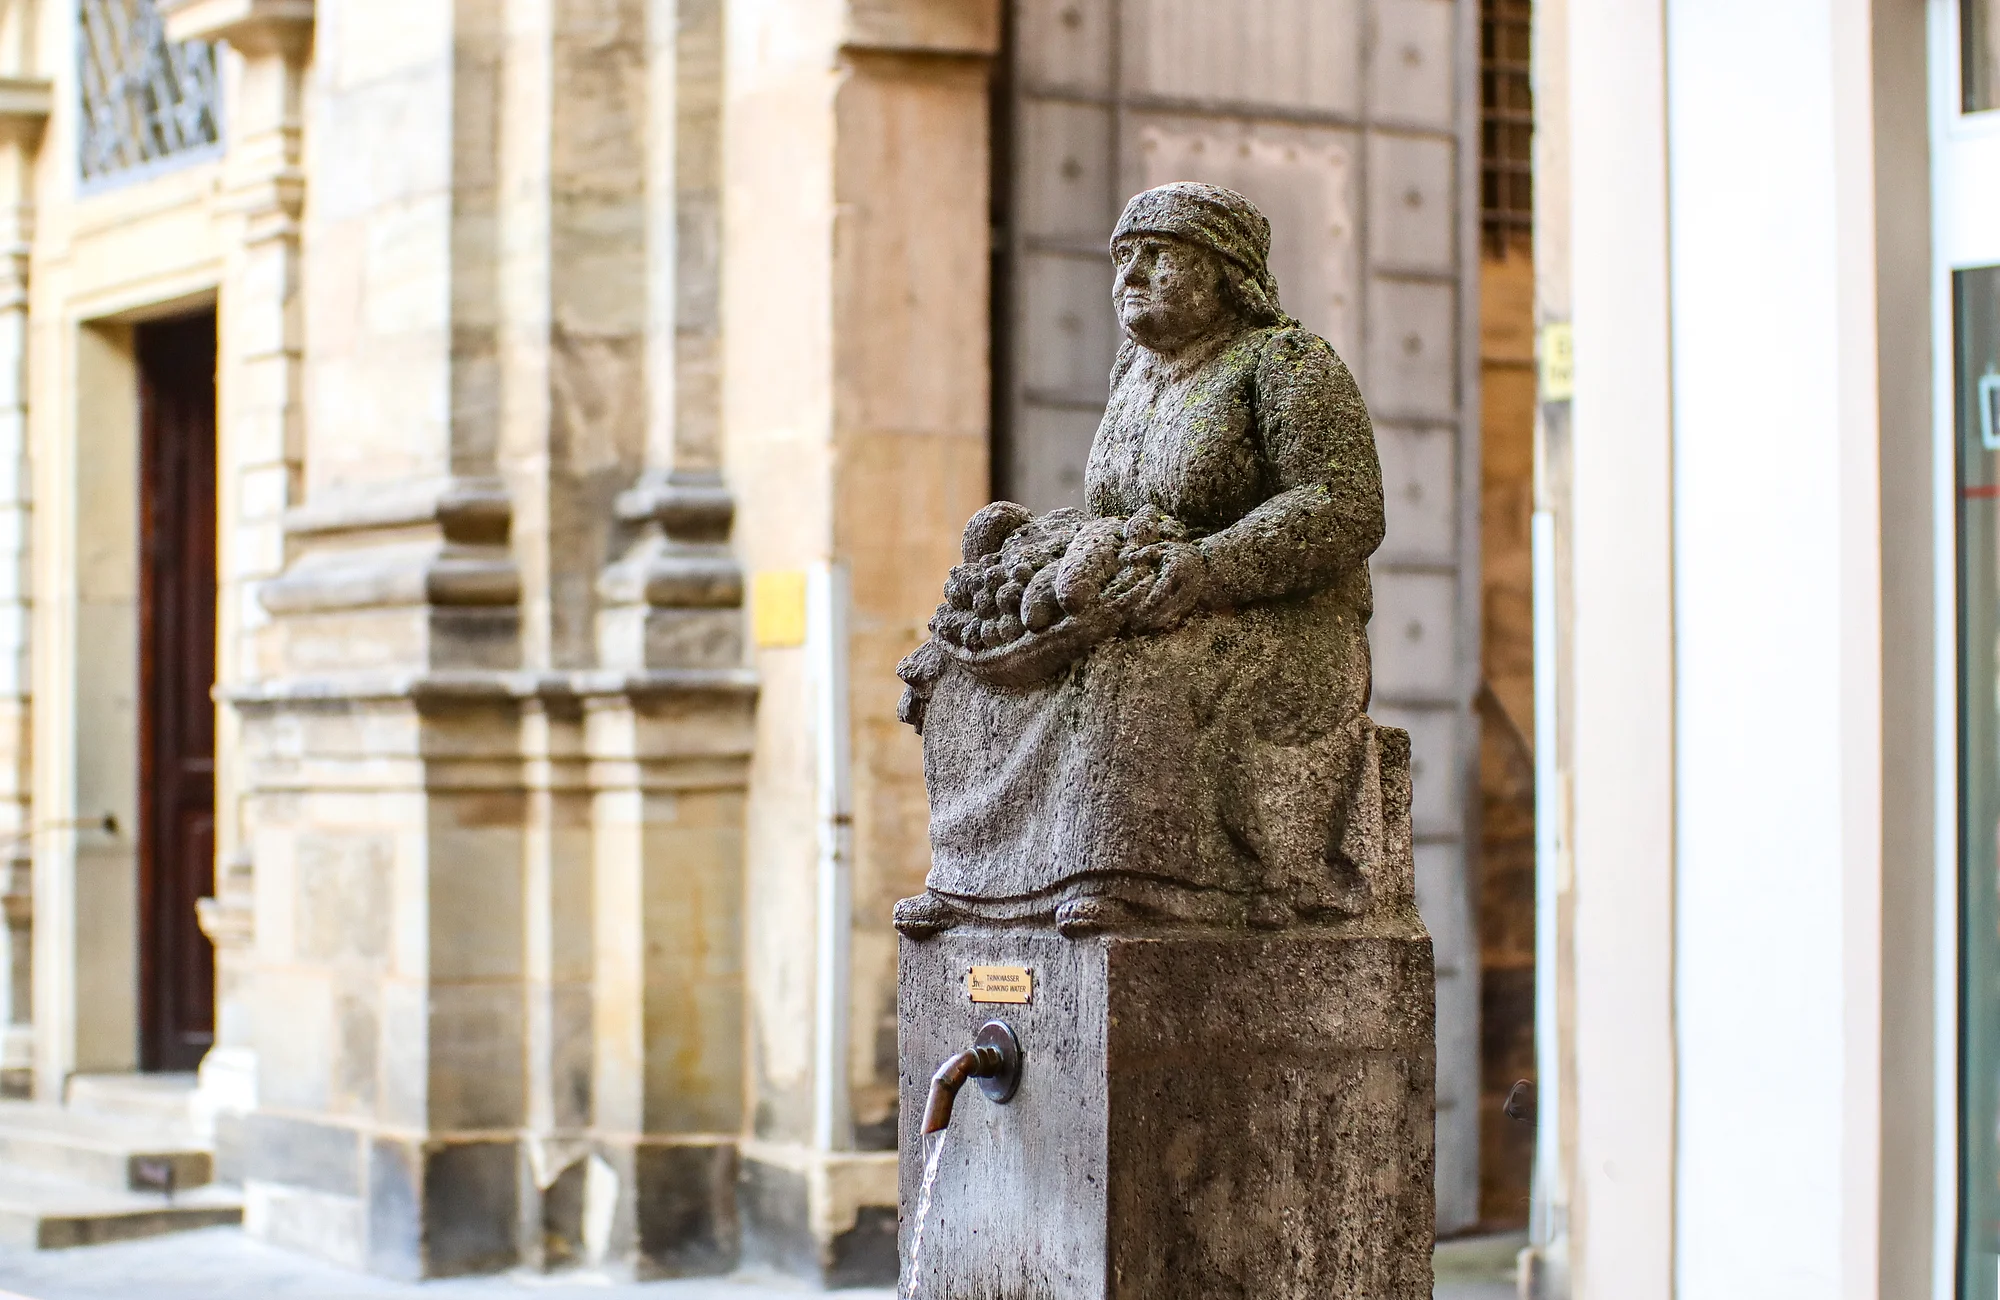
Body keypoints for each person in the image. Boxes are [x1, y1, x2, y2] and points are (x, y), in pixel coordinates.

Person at [894, 181, 1389, 938]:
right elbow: (1117, 517)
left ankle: (1121, 876)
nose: (1131, 274)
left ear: (1226, 272)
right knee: (955, 668)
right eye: (1123, 257)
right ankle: (977, 885)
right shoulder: (1134, 376)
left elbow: (1344, 505)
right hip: (1150, 593)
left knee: (1125, 668)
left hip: (1278, 624)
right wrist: (1036, 542)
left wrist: (1210, 567)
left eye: (1158, 256)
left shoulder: (1286, 362)